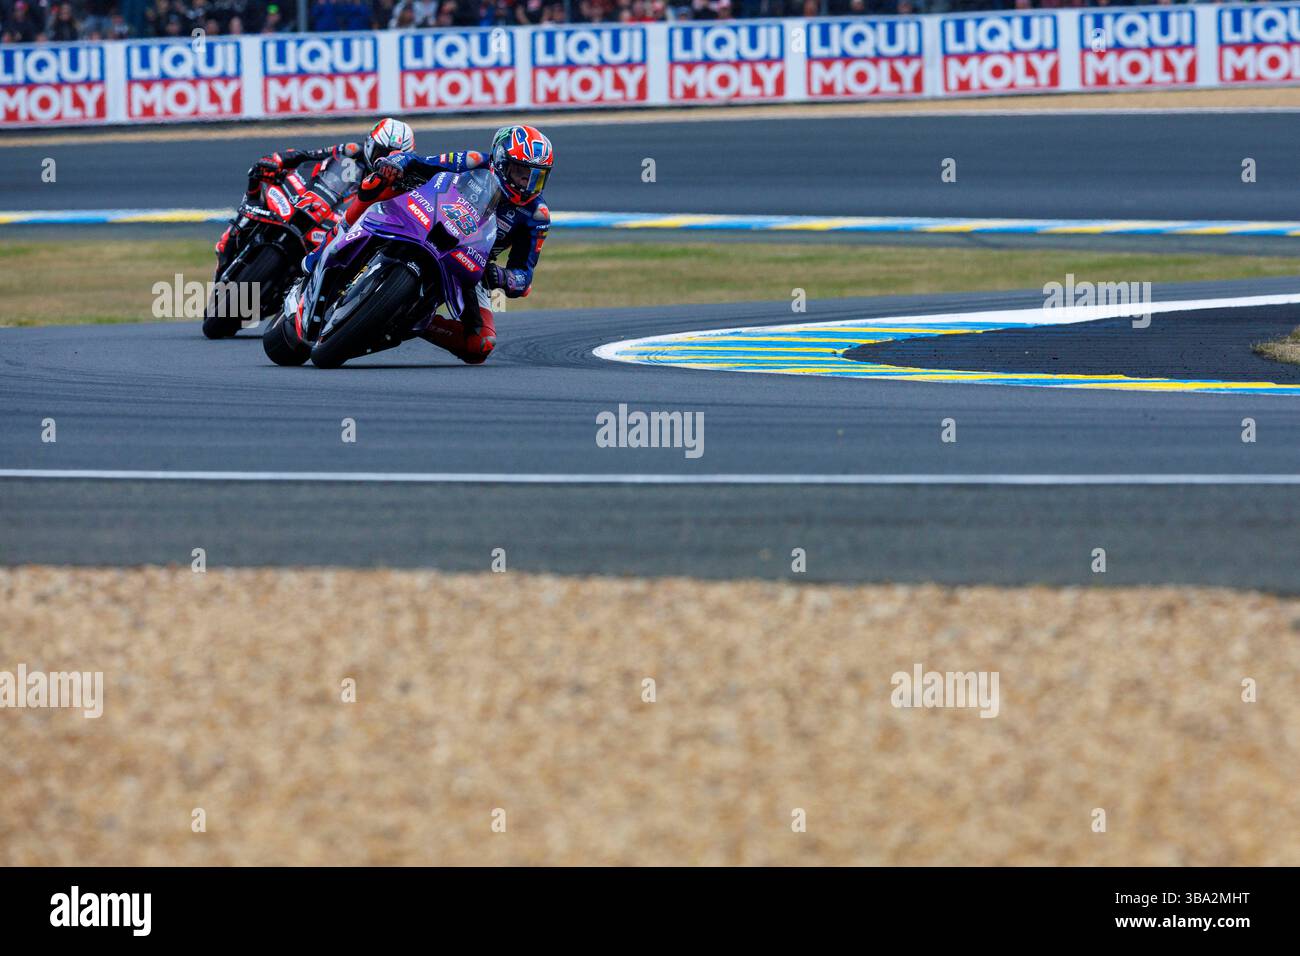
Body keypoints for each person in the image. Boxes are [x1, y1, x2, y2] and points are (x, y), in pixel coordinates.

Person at [322, 124, 554, 365]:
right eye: (521, 172)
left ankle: (419, 321)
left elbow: (524, 278)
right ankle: (338, 241)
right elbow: (420, 162)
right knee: (382, 184)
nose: (528, 183)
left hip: (472, 261)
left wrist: (503, 277)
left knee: (481, 345)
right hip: (430, 221)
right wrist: (399, 163)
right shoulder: (473, 161)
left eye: (538, 176)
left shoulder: (537, 214)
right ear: (501, 161)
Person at [216, 118, 415, 273]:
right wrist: (279, 160)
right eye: (381, 153)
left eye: (393, 157)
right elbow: (311, 154)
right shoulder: (352, 152)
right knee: (261, 174)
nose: (385, 162)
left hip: (344, 231)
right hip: (316, 205)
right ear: (370, 144)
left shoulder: (402, 183)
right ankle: (232, 238)